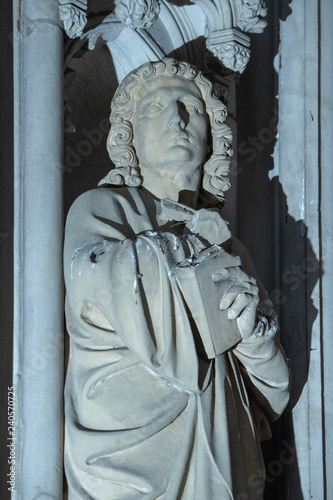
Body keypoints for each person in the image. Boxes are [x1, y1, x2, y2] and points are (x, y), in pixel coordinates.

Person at [63, 58, 290, 500]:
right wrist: (189, 253)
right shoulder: (102, 209)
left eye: (191, 106)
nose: (177, 119)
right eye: (154, 109)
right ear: (128, 137)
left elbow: (271, 398)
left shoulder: (231, 249)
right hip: (126, 459)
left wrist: (253, 336)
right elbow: (98, 283)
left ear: (212, 137)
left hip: (220, 452)